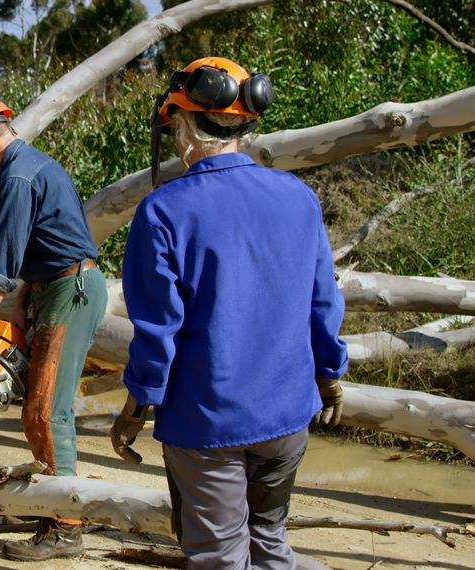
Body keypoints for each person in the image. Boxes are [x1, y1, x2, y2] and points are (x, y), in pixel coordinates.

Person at [109, 57, 348, 569]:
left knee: (218, 556)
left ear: (181, 122)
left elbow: (157, 334)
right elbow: (323, 302)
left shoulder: (164, 211)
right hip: (287, 414)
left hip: (207, 425)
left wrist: (135, 409)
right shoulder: (298, 197)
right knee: (269, 544)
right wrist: (329, 377)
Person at [0, 93, 107, 561]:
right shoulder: (34, 163)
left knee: (45, 411)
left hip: (69, 292)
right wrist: (23, 299)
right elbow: (46, 241)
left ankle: (66, 527)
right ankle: (50, 502)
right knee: (39, 406)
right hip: (53, 286)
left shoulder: (18, 174)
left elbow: (3, 255)